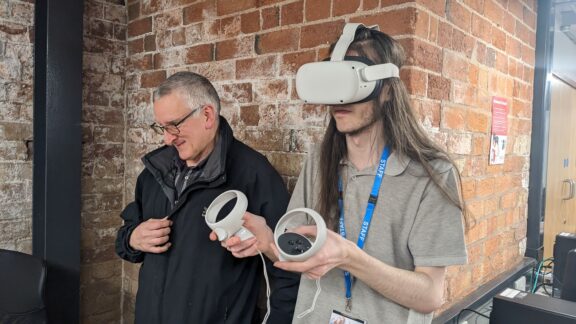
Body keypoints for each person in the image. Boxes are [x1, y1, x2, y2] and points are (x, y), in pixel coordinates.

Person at [225, 24, 468, 324]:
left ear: (388, 90)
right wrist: (267, 242)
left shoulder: (431, 173)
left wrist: (351, 259)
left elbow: (432, 293)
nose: (339, 100)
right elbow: (299, 257)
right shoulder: (319, 161)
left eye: (350, 81)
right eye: (333, 84)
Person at [115, 72, 299, 324]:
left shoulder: (253, 174)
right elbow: (125, 240)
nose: (167, 138)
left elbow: (289, 267)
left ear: (207, 116)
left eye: (173, 125)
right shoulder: (153, 174)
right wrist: (133, 238)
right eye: (161, 127)